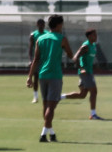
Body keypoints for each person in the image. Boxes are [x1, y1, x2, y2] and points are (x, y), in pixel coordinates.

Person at [27, 13, 73, 142]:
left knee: (46, 105)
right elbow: (70, 54)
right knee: (51, 107)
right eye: (62, 24)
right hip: (55, 75)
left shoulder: (40, 39)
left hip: (42, 75)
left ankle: (51, 133)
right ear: (58, 25)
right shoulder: (61, 38)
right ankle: (43, 134)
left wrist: (29, 77)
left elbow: (35, 60)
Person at [62, 28, 102, 119]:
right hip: (85, 73)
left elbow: (88, 58)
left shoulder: (94, 45)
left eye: (96, 34)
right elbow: (75, 58)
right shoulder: (85, 46)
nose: (96, 36)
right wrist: (82, 68)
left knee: (82, 95)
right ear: (89, 36)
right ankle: (93, 114)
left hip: (88, 72)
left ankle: (60, 97)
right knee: (94, 91)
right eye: (94, 35)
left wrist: (95, 66)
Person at [28, 19, 46, 103]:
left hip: (45, 59)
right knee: (36, 77)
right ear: (37, 24)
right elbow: (31, 48)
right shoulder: (33, 35)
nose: (41, 26)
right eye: (40, 24)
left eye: (43, 24)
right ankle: (35, 97)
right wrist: (30, 59)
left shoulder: (47, 34)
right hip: (37, 59)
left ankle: (46, 95)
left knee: (46, 77)